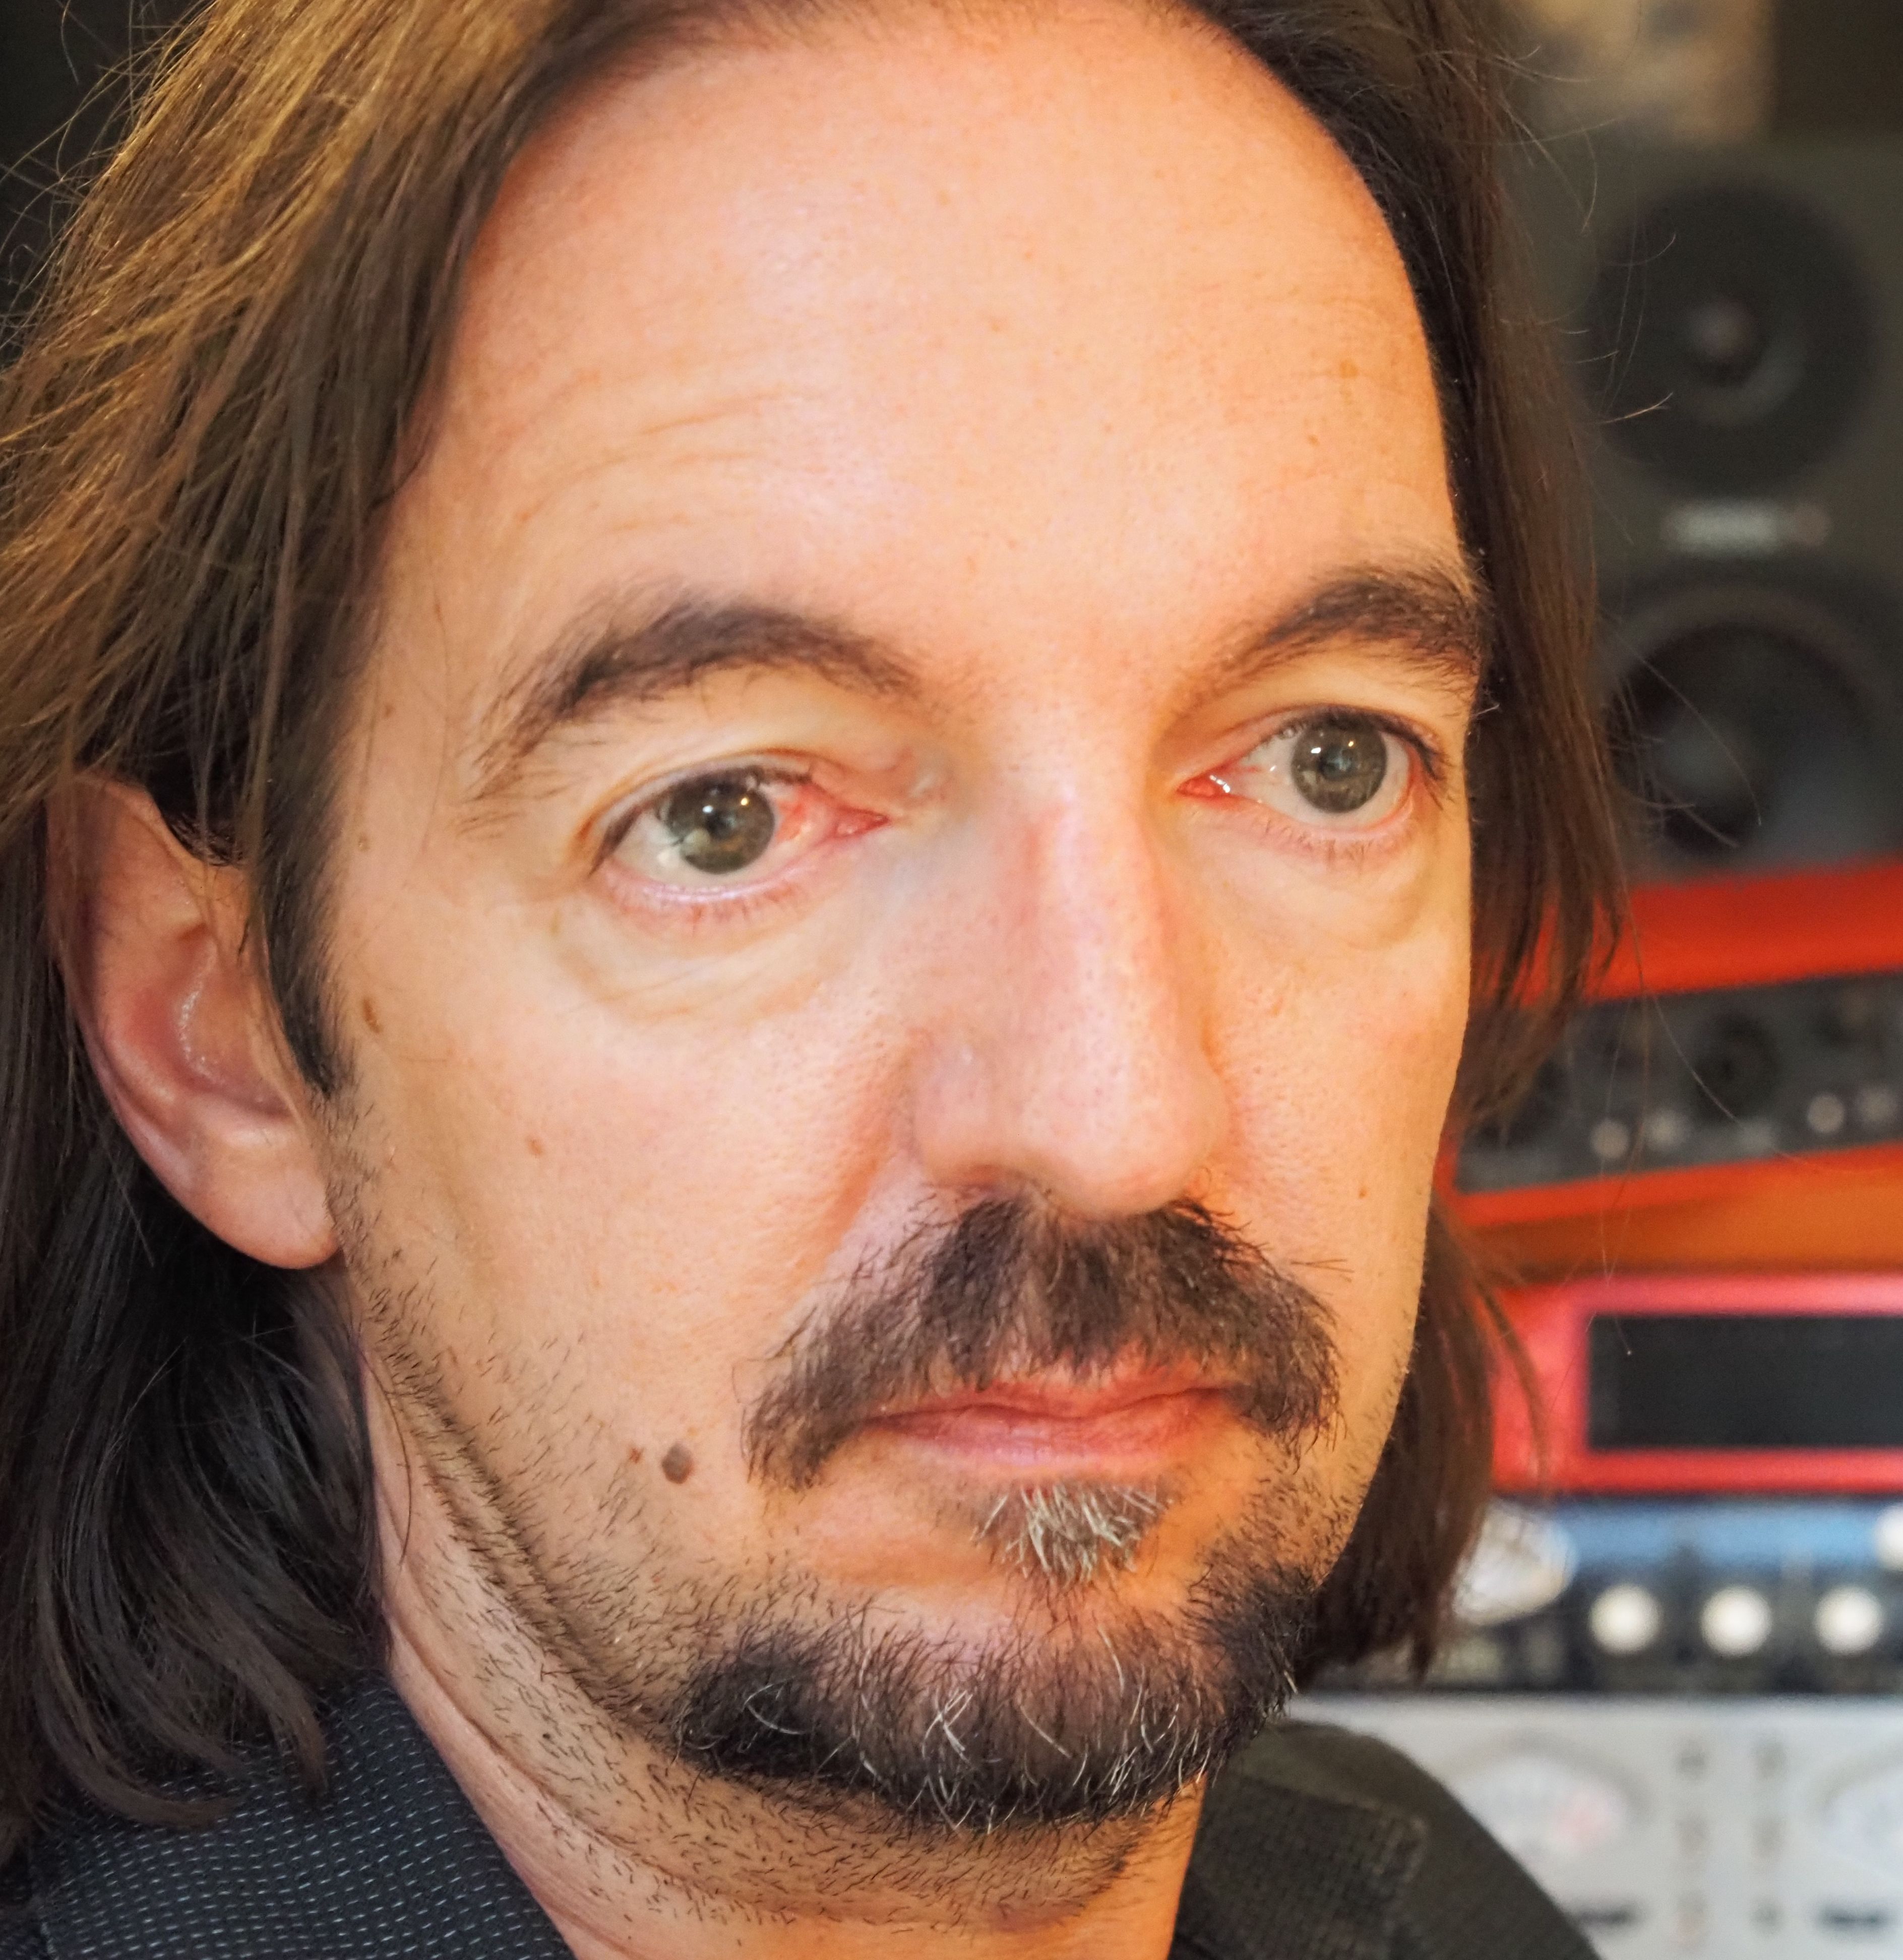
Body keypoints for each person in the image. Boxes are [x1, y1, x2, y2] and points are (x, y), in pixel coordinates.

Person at [0, 0, 1619, 1951]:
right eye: (726, 818)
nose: (1117, 1117)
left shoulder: (1445, 1915)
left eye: (1322, 761)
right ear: (223, 1036)